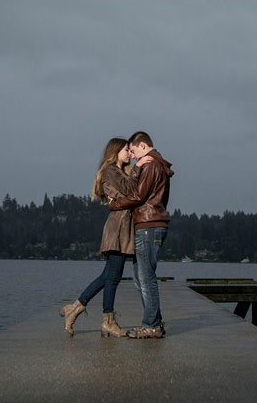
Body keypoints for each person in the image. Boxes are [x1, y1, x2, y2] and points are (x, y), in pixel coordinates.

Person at [59, 137, 153, 337]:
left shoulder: (118, 172)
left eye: (130, 150)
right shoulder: (111, 170)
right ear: (115, 151)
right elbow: (129, 190)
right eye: (126, 150)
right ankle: (107, 320)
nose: (130, 153)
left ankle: (75, 308)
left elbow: (129, 194)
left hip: (121, 227)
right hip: (118, 228)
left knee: (107, 276)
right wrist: (138, 167)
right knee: (113, 277)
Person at [109, 131, 174, 339]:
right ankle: (155, 321)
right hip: (151, 224)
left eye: (134, 150)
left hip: (148, 225)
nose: (133, 156)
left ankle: (151, 325)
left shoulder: (151, 165)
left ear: (143, 145)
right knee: (140, 277)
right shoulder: (155, 164)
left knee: (145, 277)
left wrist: (114, 204)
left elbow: (138, 196)